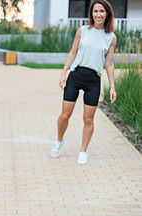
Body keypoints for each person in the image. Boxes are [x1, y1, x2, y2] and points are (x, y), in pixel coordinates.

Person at [51, 0, 117, 164]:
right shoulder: (83, 31)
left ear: (107, 13)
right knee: (65, 115)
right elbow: (72, 53)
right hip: (75, 76)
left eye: (102, 11)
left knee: (88, 119)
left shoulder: (111, 37)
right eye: (95, 11)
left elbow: (109, 64)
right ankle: (59, 140)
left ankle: (83, 150)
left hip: (93, 80)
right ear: (91, 14)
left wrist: (113, 87)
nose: (98, 14)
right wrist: (63, 73)